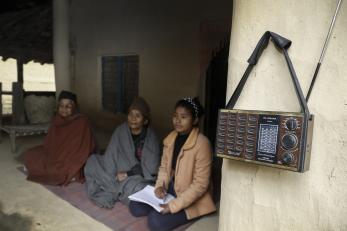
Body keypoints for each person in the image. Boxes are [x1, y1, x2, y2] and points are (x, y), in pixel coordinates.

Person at [129, 97, 216, 231]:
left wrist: (174, 206)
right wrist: (159, 187)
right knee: (134, 206)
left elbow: (200, 185)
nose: (177, 120)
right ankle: (166, 206)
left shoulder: (202, 144)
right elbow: (164, 168)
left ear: (195, 120)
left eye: (183, 117)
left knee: (155, 221)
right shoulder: (170, 139)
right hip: (172, 189)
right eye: (175, 116)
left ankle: (195, 212)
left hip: (193, 197)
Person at [84, 97, 160, 208]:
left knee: (140, 188)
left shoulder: (151, 138)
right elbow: (110, 155)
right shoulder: (120, 130)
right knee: (92, 161)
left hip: (136, 177)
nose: (133, 119)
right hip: (116, 174)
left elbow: (151, 168)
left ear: (145, 120)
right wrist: (113, 174)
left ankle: (114, 188)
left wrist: (127, 174)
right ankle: (116, 188)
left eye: (138, 116)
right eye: (130, 114)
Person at [23, 90, 96, 186]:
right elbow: (49, 143)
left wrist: (63, 157)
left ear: (74, 107)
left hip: (75, 156)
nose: (64, 109)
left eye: (68, 106)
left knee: (65, 168)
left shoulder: (82, 121)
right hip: (56, 154)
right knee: (30, 154)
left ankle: (68, 172)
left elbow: (82, 148)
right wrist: (55, 156)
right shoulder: (57, 120)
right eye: (61, 106)